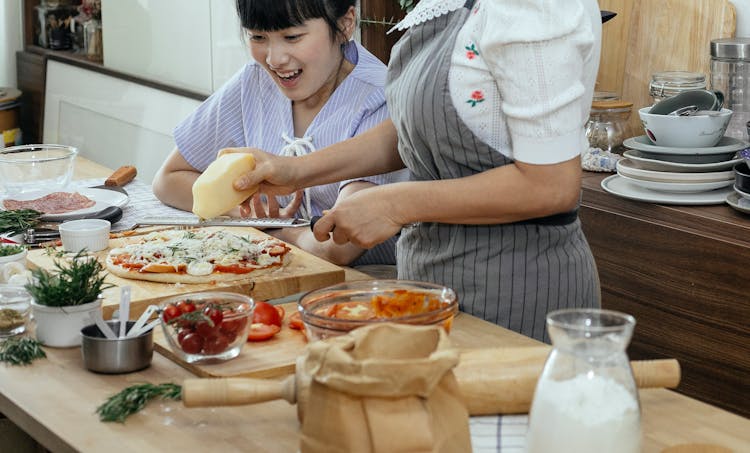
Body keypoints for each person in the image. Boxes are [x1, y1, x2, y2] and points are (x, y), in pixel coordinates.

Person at [224, 0, 603, 342]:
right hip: (430, 281)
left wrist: (394, 205)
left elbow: (551, 186)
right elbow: (420, 128)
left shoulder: (535, 11)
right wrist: (294, 170)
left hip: (515, 289)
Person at [152, 0, 406, 267]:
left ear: (345, 24)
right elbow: (168, 179)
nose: (274, 59)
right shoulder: (254, 80)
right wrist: (242, 213)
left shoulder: (381, 97)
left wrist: (275, 229)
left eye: (292, 37)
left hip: (362, 292)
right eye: (258, 37)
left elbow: (337, 248)